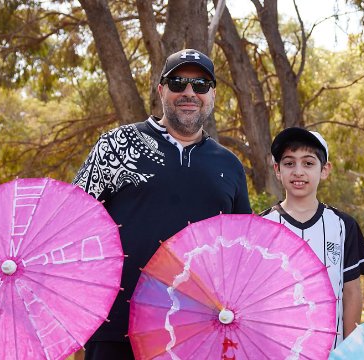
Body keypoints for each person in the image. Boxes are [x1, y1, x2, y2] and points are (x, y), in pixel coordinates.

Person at [72, 48, 253, 360]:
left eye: (200, 86)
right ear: (160, 90)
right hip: (117, 329)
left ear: (211, 95)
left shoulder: (230, 165)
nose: (188, 93)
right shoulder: (115, 145)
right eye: (178, 83)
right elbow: (73, 221)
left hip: (198, 333)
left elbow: (241, 250)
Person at [259, 127, 364, 348]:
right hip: (277, 349)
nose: (298, 171)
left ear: (325, 169)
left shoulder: (343, 225)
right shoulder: (261, 226)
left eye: (308, 163)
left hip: (330, 350)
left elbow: (351, 291)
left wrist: (349, 350)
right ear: (277, 169)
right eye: (289, 163)